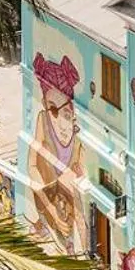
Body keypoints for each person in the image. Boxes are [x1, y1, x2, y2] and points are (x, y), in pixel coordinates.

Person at [26, 52, 85, 254]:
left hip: (68, 207)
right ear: (44, 104)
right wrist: (51, 208)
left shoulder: (79, 139)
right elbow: (32, 167)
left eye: (67, 112)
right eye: (52, 109)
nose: (59, 119)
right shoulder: (43, 121)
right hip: (48, 199)